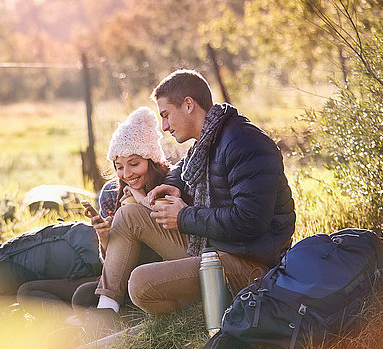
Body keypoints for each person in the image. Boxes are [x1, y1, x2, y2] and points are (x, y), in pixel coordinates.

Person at [93, 69, 296, 315]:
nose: (165, 127)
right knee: (129, 216)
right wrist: (171, 188)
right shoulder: (205, 143)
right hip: (214, 246)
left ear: (188, 105)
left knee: (140, 282)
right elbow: (179, 173)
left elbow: (250, 221)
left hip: (249, 264)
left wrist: (184, 217)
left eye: (166, 115)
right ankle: (107, 309)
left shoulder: (245, 143)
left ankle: (192, 306)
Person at [17, 106, 170, 312]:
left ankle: (88, 322)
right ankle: (77, 324)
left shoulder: (168, 186)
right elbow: (112, 262)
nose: (126, 173)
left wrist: (140, 201)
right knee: (28, 291)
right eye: (119, 166)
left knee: (82, 297)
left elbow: (169, 244)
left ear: (151, 161)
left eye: (134, 163)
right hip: (114, 280)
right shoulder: (112, 193)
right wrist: (105, 238)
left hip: (148, 280)